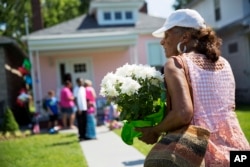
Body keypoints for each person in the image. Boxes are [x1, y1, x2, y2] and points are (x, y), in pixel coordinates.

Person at [135, 9, 250, 166]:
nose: (162, 41)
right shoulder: (224, 63)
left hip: (200, 153)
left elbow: (183, 113)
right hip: (238, 151)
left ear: (184, 37)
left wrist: (154, 130)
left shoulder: (176, 64)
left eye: (167, 35)